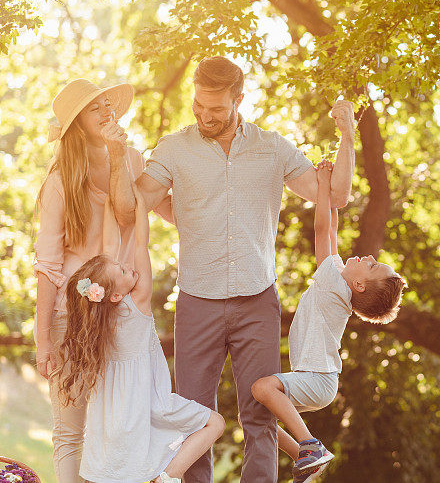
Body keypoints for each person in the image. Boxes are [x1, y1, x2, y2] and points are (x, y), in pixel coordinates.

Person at [104, 56, 357, 482]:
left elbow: (334, 196)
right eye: (198, 106)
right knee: (193, 417)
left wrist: (347, 136)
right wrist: (115, 155)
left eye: (216, 109)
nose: (205, 116)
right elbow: (130, 210)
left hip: (258, 300)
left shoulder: (271, 148)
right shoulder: (173, 149)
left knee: (258, 415)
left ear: (239, 100)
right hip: (197, 300)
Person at [33, 78, 172, 482]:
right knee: (70, 430)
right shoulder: (59, 182)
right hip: (70, 315)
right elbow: (47, 266)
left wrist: (117, 155)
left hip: (120, 314)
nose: (106, 110)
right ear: (77, 124)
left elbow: (130, 216)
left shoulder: (130, 158)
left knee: (125, 426)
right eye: (95, 108)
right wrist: (45, 340)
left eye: (107, 103)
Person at [50, 191, 224, 483]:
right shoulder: (138, 301)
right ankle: (168, 475)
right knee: (215, 423)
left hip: (112, 416)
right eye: (122, 270)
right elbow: (141, 244)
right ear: (116, 294)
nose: (128, 266)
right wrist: (143, 205)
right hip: (147, 404)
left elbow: (109, 246)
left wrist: (109, 205)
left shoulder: (101, 320)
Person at [251, 159, 405, 483]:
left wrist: (322, 184)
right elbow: (331, 229)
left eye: (373, 266)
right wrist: (332, 196)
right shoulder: (337, 281)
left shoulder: (335, 286)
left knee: (262, 388)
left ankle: (310, 447)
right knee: (255, 416)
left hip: (319, 379)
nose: (371, 258)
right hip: (320, 381)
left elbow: (323, 230)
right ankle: (305, 460)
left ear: (359, 285)